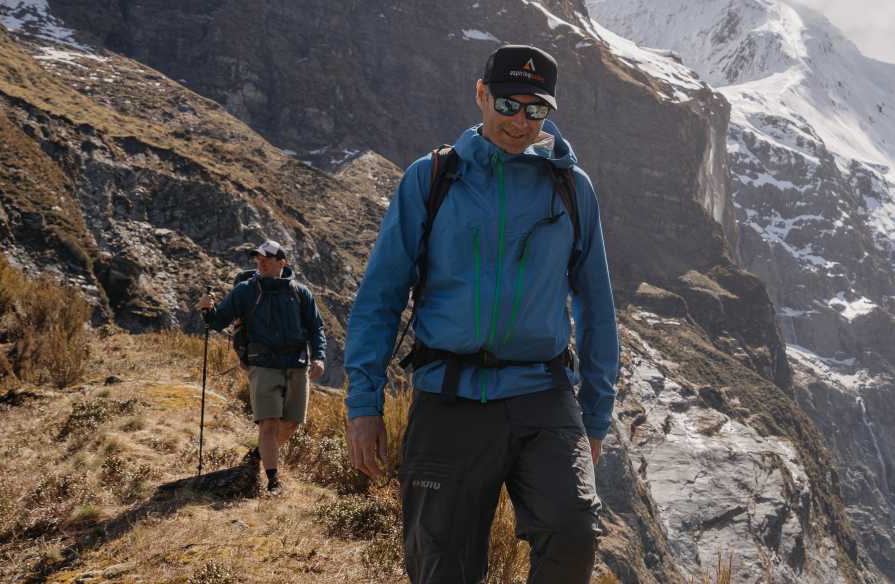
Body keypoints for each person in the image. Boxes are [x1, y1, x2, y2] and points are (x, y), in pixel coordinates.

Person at [343, 44, 619, 584]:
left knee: (573, 534)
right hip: (449, 397)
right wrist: (363, 404)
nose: (521, 122)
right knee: (440, 565)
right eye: (508, 105)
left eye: (536, 110)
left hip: (543, 394)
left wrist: (594, 417)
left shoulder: (570, 187)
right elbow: (380, 297)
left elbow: (596, 306)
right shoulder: (431, 180)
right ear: (480, 94)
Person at [199, 239, 326, 496]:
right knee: (268, 423)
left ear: (282, 262)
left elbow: (316, 328)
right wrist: (207, 310)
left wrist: (320, 357)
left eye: (266, 258)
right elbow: (217, 321)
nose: (261, 262)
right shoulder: (245, 291)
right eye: (258, 258)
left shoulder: (301, 293)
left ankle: (257, 454)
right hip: (263, 364)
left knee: (291, 423)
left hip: (297, 365)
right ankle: (273, 480)